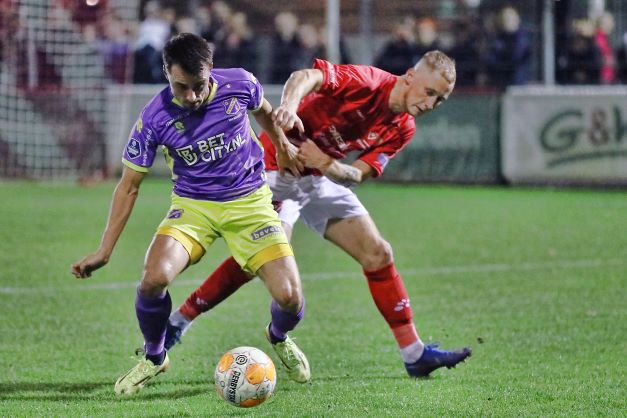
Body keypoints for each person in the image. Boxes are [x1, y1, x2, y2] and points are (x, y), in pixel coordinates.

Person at [165, 50, 472, 378]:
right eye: (429, 92)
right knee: (259, 259)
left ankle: (413, 354)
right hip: (274, 168)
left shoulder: (403, 128)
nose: (430, 104)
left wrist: (326, 164)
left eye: (440, 100)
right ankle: (178, 321)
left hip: (317, 176)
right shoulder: (369, 82)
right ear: (411, 76)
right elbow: (306, 77)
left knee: (378, 253)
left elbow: (357, 175)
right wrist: (289, 106)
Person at [70, 33, 310, 395]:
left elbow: (262, 111)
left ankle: (278, 335)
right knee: (152, 280)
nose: (192, 96)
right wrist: (104, 250)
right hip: (193, 206)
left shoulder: (240, 83)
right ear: (166, 72)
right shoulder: (154, 117)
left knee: (290, 297)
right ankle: (154, 356)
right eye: (182, 87)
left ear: (211, 70)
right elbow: (129, 185)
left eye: (199, 86)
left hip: (249, 202)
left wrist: (282, 146)